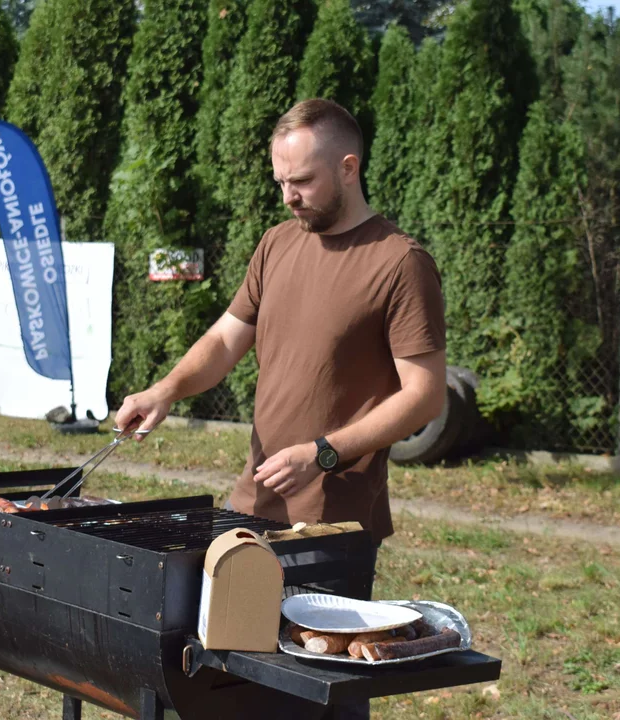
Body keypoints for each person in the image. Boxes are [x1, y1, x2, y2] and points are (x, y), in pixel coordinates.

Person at [114, 99, 446, 716]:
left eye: (302, 181)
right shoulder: (275, 245)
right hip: (251, 510)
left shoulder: (401, 263)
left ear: (349, 168)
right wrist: (165, 390)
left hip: (334, 528)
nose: (288, 196)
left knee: (315, 697)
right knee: (238, 692)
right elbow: (223, 339)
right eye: (280, 182)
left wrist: (324, 453)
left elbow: (424, 394)